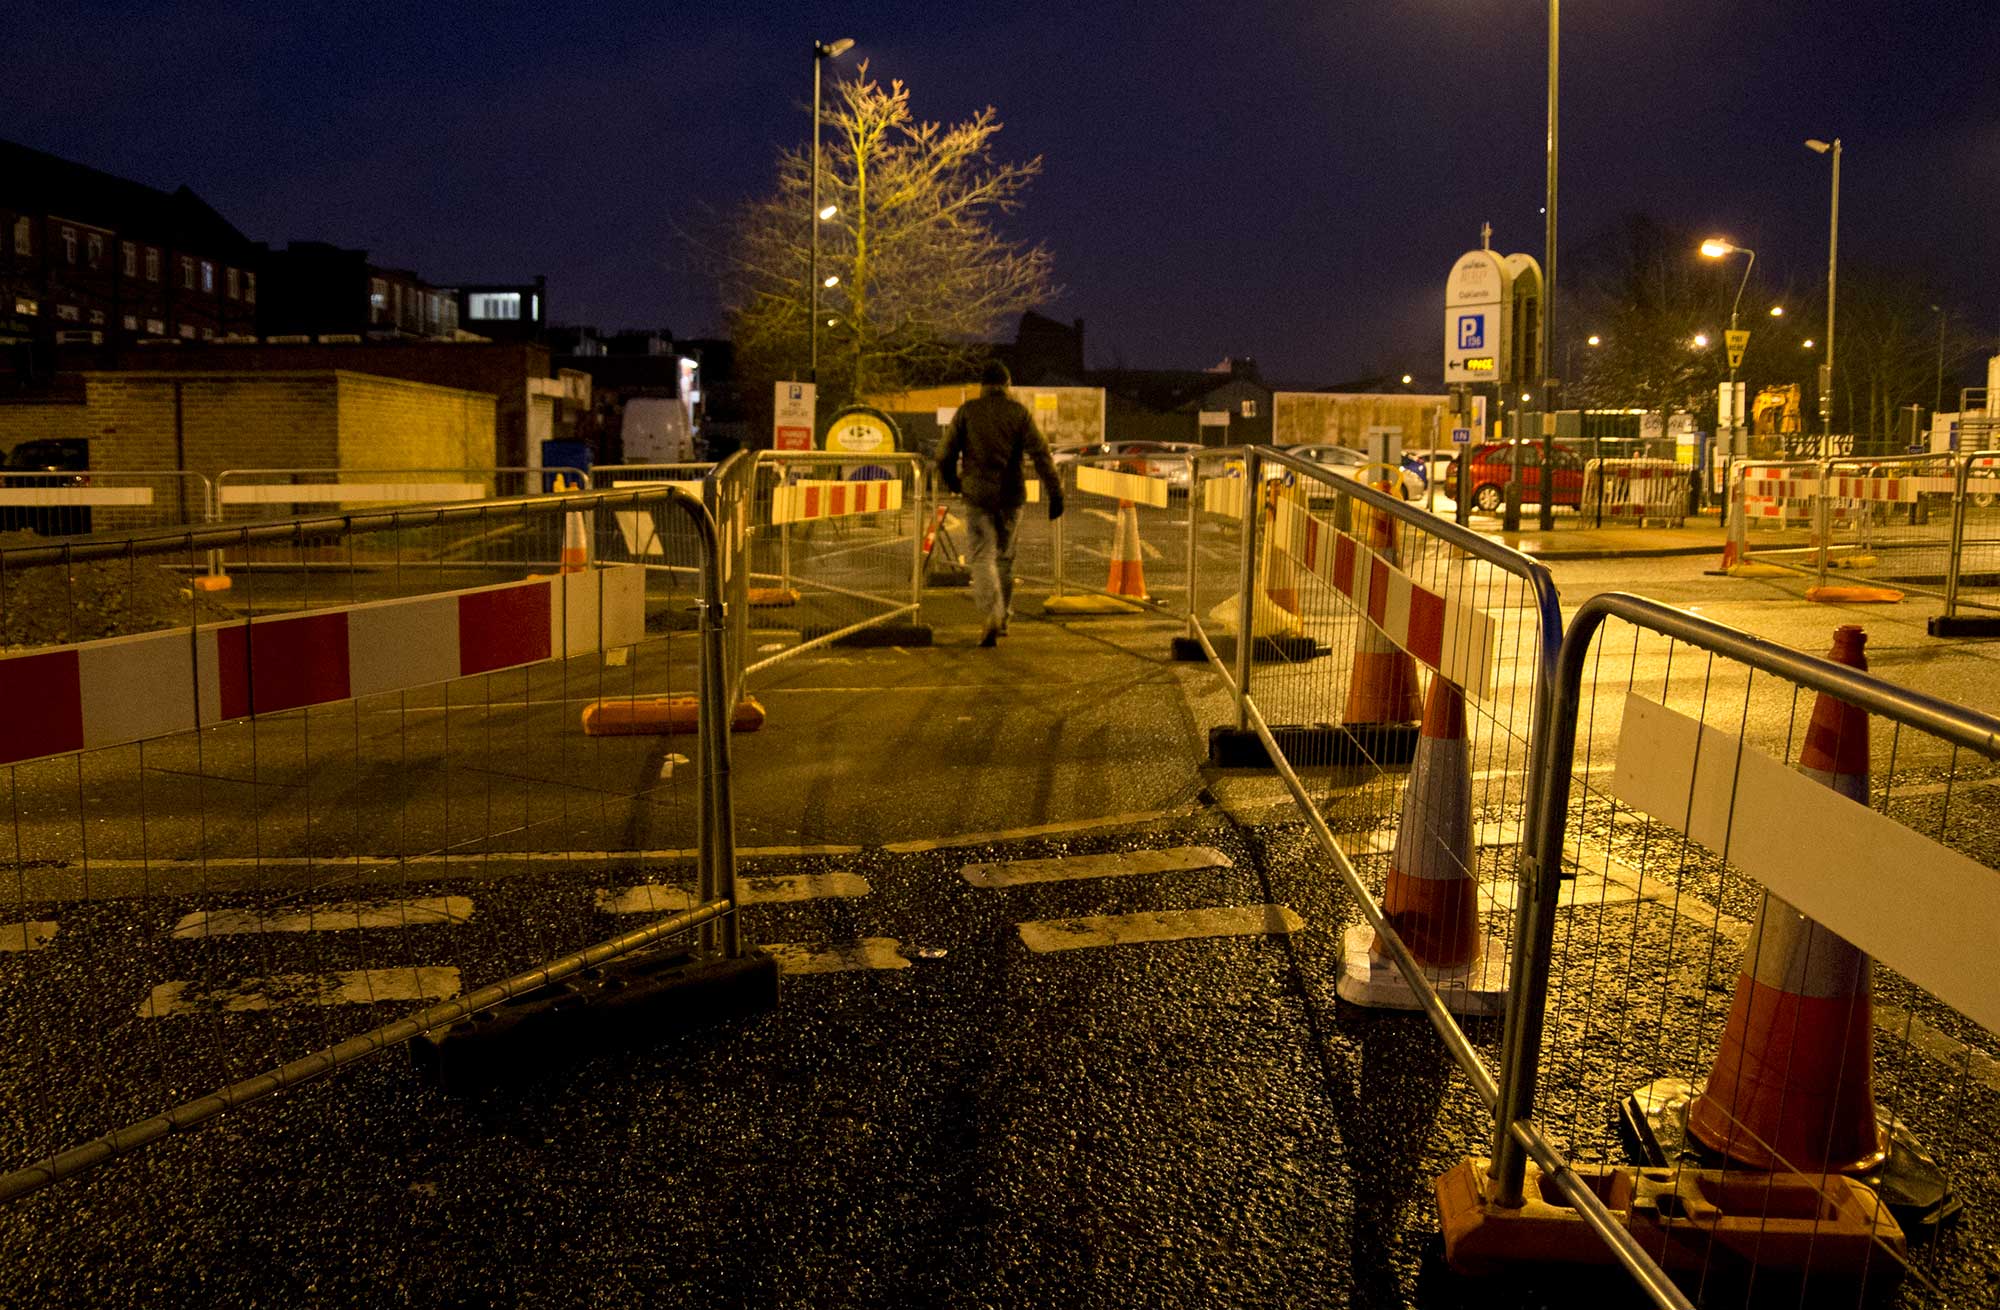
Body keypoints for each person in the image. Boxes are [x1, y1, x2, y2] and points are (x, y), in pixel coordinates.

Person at [935, 360, 1064, 646]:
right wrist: (1055, 493)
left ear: (982, 386)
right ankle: (1003, 617)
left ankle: (991, 614)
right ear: (1008, 385)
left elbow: (944, 455)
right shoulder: (1019, 413)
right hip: (1011, 496)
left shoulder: (968, 412)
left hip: (978, 496)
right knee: (1004, 559)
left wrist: (954, 482)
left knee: (982, 556)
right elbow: (1041, 454)